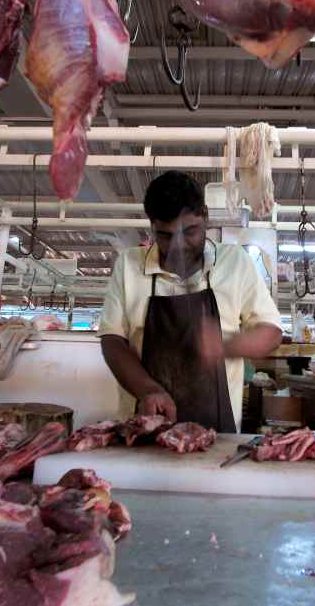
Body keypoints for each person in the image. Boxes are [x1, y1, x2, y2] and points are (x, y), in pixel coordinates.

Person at [99, 171, 283, 432]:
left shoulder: (235, 262)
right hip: (144, 427)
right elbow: (112, 340)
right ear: (152, 226)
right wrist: (148, 390)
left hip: (217, 435)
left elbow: (271, 332)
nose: (179, 246)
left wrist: (225, 346)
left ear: (205, 216)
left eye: (190, 232)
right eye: (165, 235)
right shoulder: (129, 265)